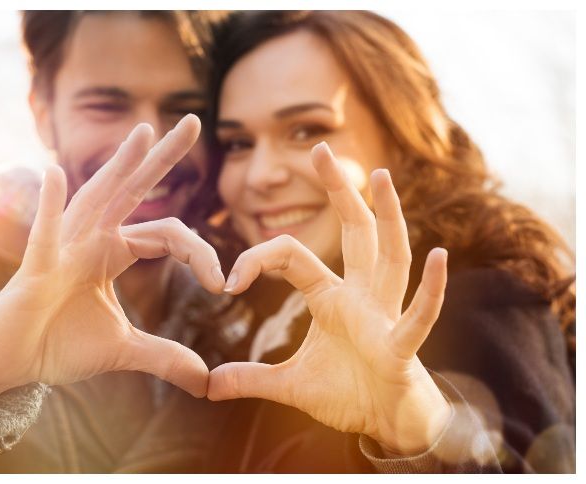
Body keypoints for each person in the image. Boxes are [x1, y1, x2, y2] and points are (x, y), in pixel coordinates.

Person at [191, 10, 575, 473]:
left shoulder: (475, 305)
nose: (260, 176)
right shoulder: (257, 322)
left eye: (307, 130)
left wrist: (419, 440)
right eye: (237, 143)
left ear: (401, 136)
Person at [0, 11, 232, 473]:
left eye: (185, 111)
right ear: (43, 113)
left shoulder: (248, 292)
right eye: (106, 105)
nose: (147, 140)